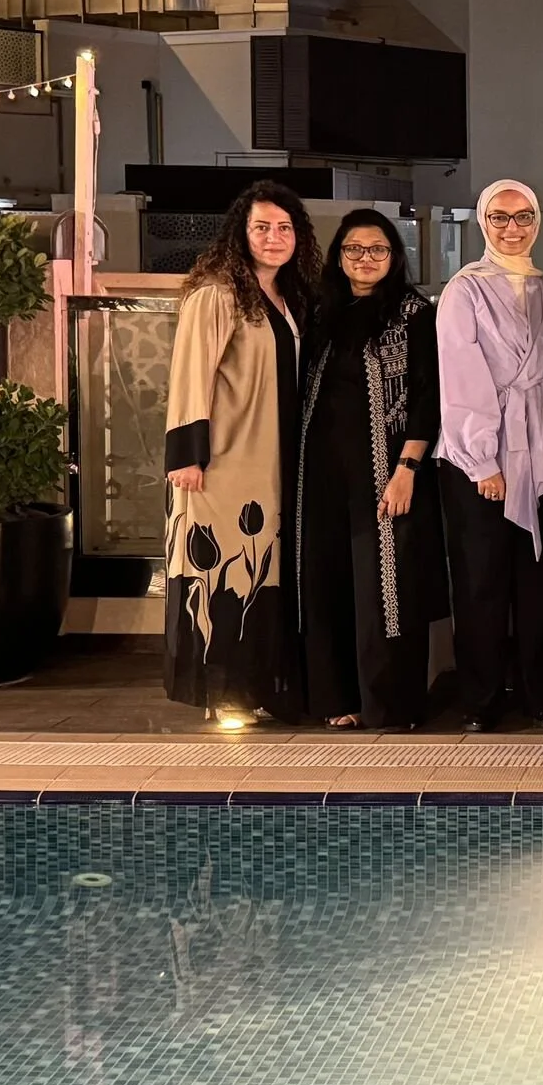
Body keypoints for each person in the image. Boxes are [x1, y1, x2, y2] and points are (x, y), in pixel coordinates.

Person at [163, 179, 319, 725]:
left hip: (273, 462)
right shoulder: (218, 295)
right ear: (241, 233)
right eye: (262, 227)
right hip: (224, 464)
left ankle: (263, 687)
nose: (273, 238)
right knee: (224, 576)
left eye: (283, 228)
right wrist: (187, 454)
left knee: (264, 574)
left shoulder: (289, 297)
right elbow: (190, 374)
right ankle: (223, 694)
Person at [295, 209, 444, 731]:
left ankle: (387, 702)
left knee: (385, 585)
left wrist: (408, 467)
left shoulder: (412, 314)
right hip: (320, 472)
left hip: (387, 469)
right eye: (354, 250)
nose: (365, 259)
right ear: (339, 257)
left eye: (377, 249)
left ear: (394, 256)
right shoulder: (319, 311)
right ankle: (337, 696)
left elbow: (429, 398)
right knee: (327, 577)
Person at [435, 180, 543, 732]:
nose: (512, 228)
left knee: (538, 582)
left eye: (522, 217)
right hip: (480, 459)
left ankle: (540, 692)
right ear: (482, 223)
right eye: (499, 218)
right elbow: (461, 376)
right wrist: (482, 460)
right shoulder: (464, 290)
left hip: (542, 450)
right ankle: (482, 697)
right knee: (482, 582)